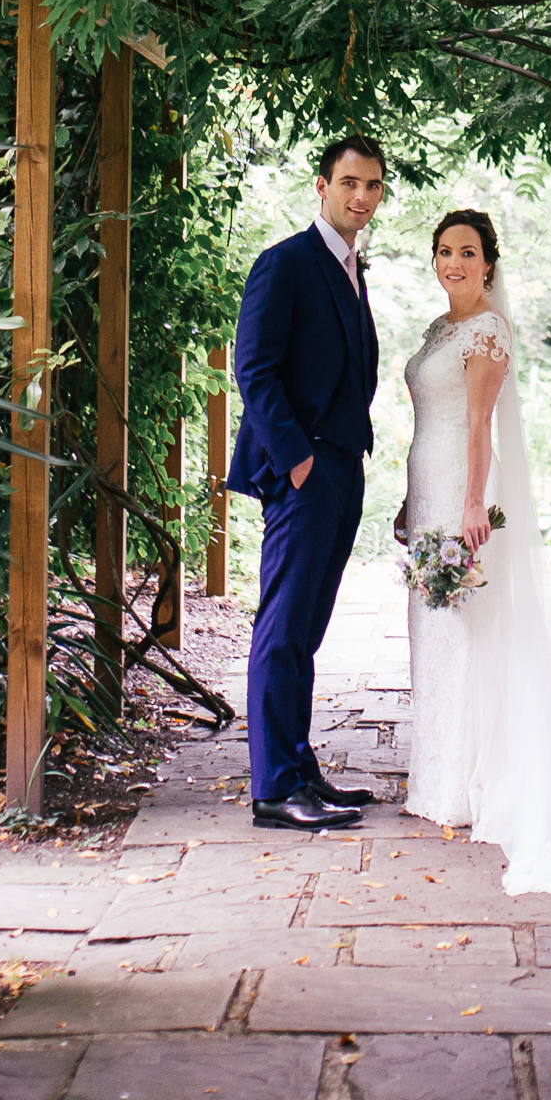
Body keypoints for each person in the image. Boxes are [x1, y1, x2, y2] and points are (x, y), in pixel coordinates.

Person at [391, 208, 551, 895]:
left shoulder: (487, 330)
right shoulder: (439, 328)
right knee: (435, 629)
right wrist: (411, 501)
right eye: (444, 251)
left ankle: (473, 782)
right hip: (427, 486)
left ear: (489, 264)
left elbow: (477, 425)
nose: (454, 263)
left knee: (472, 627)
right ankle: (438, 779)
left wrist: (473, 504)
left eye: (467, 252)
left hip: (463, 490)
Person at [224, 134, 389, 831]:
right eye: (349, 182)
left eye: (373, 185)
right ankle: (274, 789)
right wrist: (296, 459)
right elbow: (253, 368)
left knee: (307, 629)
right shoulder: (285, 262)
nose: (361, 196)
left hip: (342, 467)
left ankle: (299, 770)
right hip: (305, 471)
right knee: (283, 627)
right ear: (322, 186)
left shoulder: (351, 266)